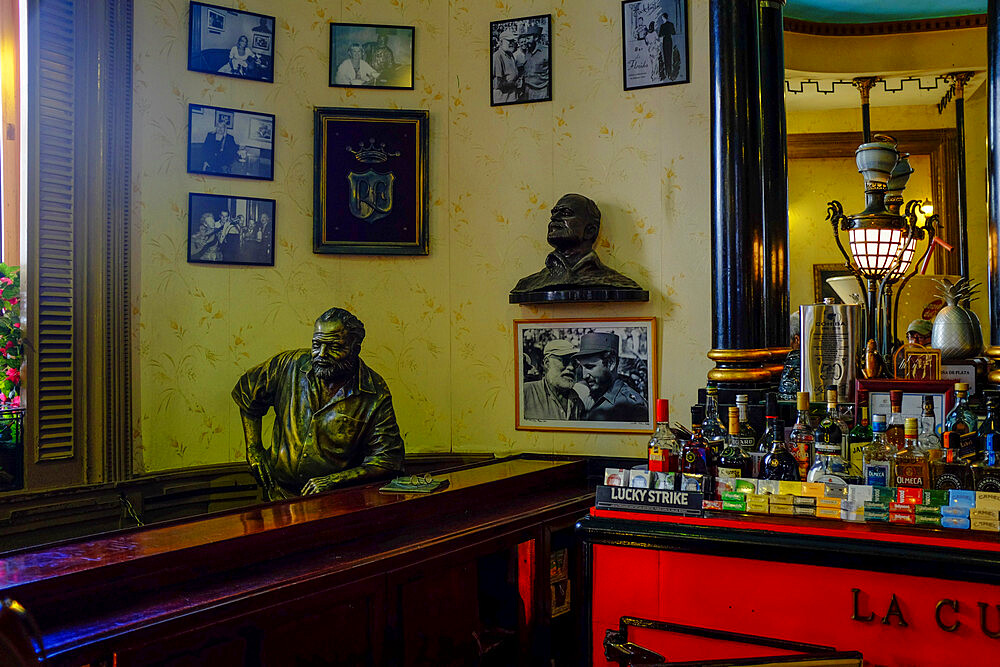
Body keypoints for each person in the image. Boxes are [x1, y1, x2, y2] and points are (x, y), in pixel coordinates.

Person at [232, 307, 405, 499]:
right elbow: (248, 391)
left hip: (337, 503)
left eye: (334, 347)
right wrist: (253, 448)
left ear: (355, 349)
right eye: (317, 345)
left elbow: (387, 459)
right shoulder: (289, 364)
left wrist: (333, 481)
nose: (321, 354)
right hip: (279, 495)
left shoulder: (374, 392)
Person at [510, 193, 646, 298]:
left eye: (566, 213)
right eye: (554, 212)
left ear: (590, 231)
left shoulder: (618, 283)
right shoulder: (528, 284)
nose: (554, 218)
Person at [573, 332, 648, 422]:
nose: (584, 376)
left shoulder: (631, 406)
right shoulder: (593, 396)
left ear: (611, 363)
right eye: (582, 368)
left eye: (590, 367)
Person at [522, 339, 586, 420]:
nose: (571, 367)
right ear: (547, 363)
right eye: (565, 360)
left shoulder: (578, 403)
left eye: (574, 363)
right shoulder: (525, 393)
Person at [520, 25, 550, 101]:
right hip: (527, 90)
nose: (526, 41)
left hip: (541, 91)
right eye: (525, 39)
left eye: (528, 38)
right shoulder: (527, 51)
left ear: (536, 38)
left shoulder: (546, 52)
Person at [491, 30, 519, 103]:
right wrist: (515, 84)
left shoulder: (510, 54)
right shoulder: (497, 56)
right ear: (501, 42)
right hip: (503, 99)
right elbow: (498, 84)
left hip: (513, 96)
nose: (511, 43)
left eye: (512, 41)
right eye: (509, 41)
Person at [657, 13, 677, 80]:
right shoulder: (671, 24)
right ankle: (670, 73)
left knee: (666, 57)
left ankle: (667, 73)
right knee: (669, 56)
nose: (662, 19)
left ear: (663, 17)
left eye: (662, 17)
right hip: (670, 40)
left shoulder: (662, 26)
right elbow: (674, 32)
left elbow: (660, 35)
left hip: (665, 40)